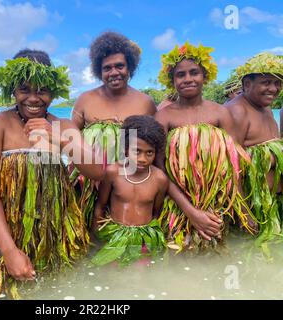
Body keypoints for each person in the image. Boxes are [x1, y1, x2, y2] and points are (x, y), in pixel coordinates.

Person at [0, 49, 104, 300]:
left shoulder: (63, 125)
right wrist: (9, 251)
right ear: (13, 90)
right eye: (24, 89)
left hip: (55, 233)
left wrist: (58, 138)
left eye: (42, 90)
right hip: (7, 235)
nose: (34, 98)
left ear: (53, 91)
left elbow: (97, 170)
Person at [154, 42, 256, 252]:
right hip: (177, 205)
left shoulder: (220, 113)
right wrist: (191, 212)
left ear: (205, 76)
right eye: (180, 75)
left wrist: (243, 210)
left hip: (216, 203)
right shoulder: (164, 116)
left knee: (216, 253)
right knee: (178, 253)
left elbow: (235, 163)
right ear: (172, 81)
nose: (188, 79)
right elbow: (159, 170)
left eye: (194, 72)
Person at [71, 31, 156, 229]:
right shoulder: (85, 100)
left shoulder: (145, 103)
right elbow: (70, 140)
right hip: (88, 183)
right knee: (88, 230)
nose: (114, 72)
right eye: (107, 68)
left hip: (129, 183)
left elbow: (153, 145)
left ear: (130, 67)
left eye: (119, 66)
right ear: (99, 71)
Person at [91, 115, 167, 266]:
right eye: (136, 151)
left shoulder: (159, 179)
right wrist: (97, 237)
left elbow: (156, 213)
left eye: (149, 153)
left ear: (155, 152)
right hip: (114, 234)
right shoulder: (113, 172)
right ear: (126, 150)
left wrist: (151, 239)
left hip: (143, 237)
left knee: (139, 275)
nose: (143, 159)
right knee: (109, 272)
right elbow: (100, 206)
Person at [225, 53, 283, 248]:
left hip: (271, 205)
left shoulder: (266, 108)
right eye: (266, 82)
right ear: (247, 84)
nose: (274, 89)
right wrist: (244, 212)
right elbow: (229, 167)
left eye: (277, 83)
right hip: (252, 206)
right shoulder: (237, 111)